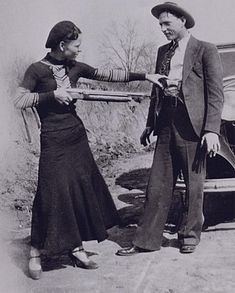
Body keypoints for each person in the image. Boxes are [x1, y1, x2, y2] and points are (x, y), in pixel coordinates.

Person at [14, 21, 165, 279]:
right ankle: (36, 252)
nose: (80, 50)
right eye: (77, 46)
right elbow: (18, 99)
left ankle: (76, 247)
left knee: (79, 191)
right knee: (50, 193)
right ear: (62, 45)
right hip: (53, 139)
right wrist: (52, 96)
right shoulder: (36, 70)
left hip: (76, 137)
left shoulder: (75, 67)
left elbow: (108, 74)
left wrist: (145, 76)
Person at [117, 2, 224, 256]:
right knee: (157, 184)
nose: (163, 29)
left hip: (193, 127)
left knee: (193, 184)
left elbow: (215, 94)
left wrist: (211, 130)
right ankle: (146, 240)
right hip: (166, 123)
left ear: (182, 21)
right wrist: (149, 124)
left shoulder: (204, 50)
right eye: (160, 25)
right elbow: (156, 90)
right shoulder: (162, 52)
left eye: (167, 24)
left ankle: (189, 235)